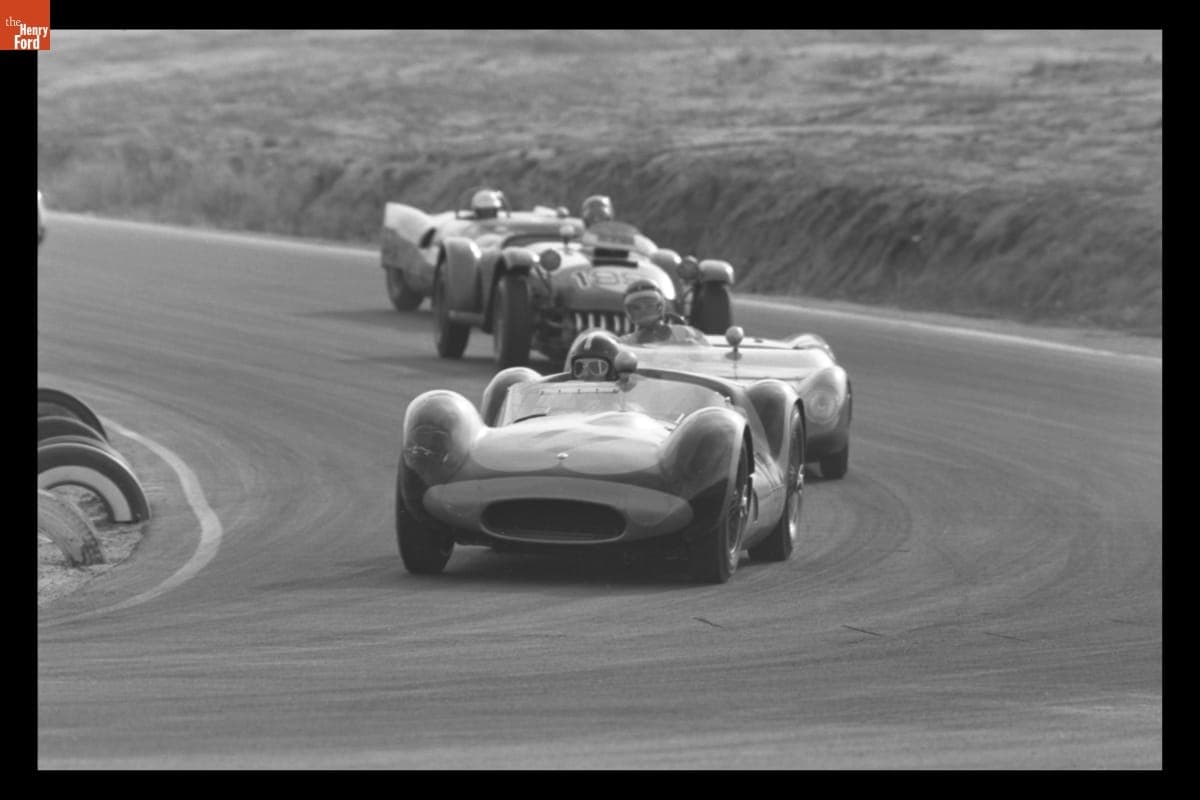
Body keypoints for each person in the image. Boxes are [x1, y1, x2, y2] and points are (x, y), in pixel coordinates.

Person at [619, 280, 707, 345]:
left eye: (650, 305)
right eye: (636, 307)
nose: (644, 310)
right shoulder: (624, 343)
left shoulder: (688, 334)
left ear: (660, 306)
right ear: (629, 312)